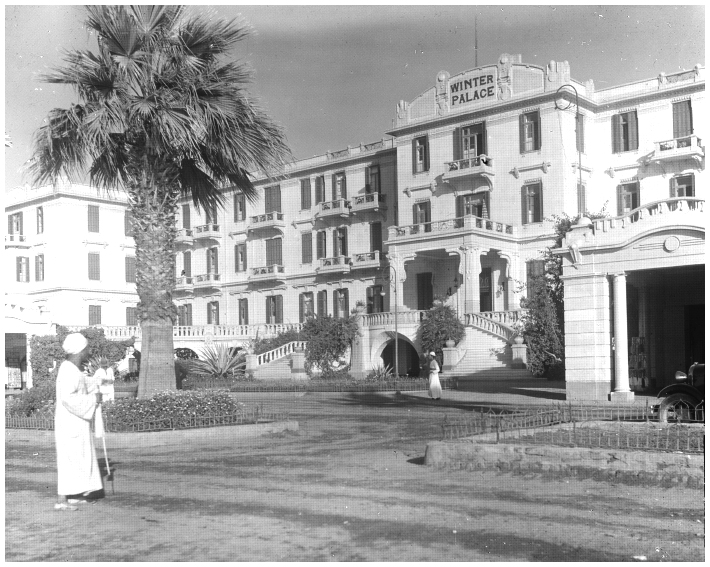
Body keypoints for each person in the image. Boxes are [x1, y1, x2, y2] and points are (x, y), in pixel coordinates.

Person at [54, 333, 104, 511]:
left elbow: (84, 384)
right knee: (69, 460)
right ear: (80, 350)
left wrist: (99, 382)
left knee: (77, 458)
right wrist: (93, 400)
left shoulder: (73, 369)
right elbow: (68, 398)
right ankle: (61, 500)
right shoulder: (67, 370)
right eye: (87, 348)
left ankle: (73, 494)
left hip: (77, 422)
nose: (88, 352)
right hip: (70, 423)